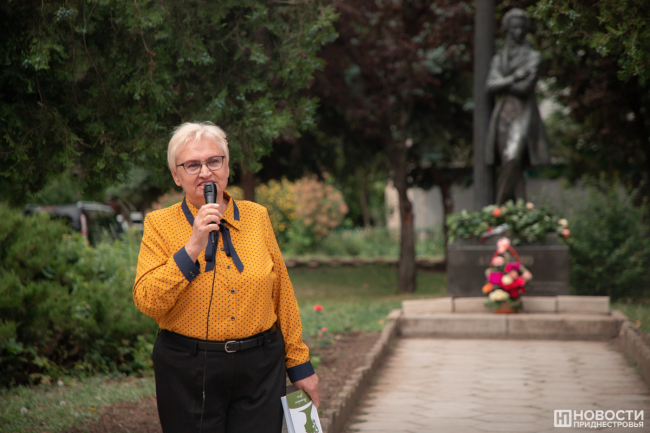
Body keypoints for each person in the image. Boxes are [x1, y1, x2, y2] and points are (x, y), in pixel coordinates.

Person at [133, 122, 319, 433]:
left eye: (213, 161)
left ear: (227, 168)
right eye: (192, 165)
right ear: (176, 175)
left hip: (261, 367)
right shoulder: (159, 224)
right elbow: (148, 301)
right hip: (189, 369)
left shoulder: (257, 216)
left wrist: (299, 365)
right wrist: (192, 246)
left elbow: (282, 294)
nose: (205, 172)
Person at [486, 8, 550, 204]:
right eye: (514, 27)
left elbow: (525, 88)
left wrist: (503, 82)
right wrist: (514, 77)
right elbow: (490, 86)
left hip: (523, 114)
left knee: (513, 158)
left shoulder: (533, 57)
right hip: (503, 114)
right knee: (510, 164)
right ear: (507, 29)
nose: (518, 32)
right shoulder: (498, 59)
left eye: (522, 28)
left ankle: (497, 208)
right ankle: (520, 209)